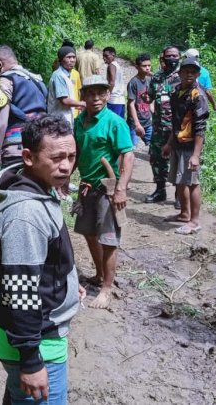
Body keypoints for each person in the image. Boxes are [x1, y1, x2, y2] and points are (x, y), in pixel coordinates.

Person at [0, 115, 85, 405]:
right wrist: (31, 360)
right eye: (56, 158)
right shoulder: (26, 214)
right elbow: (20, 290)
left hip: (32, 327)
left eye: (71, 156)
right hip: (35, 338)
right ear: (28, 157)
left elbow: (42, 262)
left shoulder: (39, 187)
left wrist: (67, 283)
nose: (66, 166)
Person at [73, 75, 134, 309]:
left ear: (108, 95)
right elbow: (77, 152)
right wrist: (65, 176)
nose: (96, 98)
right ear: (83, 96)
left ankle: (107, 288)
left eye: (101, 93)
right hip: (86, 187)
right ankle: (99, 275)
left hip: (108, 188)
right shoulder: (79, 123)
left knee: (108, 239)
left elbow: (127, 155)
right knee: (89, 233)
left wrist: (121, 189)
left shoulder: (114, 122)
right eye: (90, 93)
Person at [0, 46, 48, 180]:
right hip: (42, 146)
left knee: (14, 192)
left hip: (17, 149)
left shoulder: (4, 81)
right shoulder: (37, 80)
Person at [162, 56, 209, 234]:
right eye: (186, 71)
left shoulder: (198, 95)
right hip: (178, 143)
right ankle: (184, 213)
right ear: (179, 73)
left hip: (190, 146)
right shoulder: (176, 93)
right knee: (179, 181)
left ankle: (195, 221)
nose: (189, 74)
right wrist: (169, 143)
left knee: (192, 182)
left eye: (193, 72)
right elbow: (176, 122)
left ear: (197, 74)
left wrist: (196, 155)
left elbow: (200, 127)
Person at [144, 45, 181, 204]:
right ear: (163, 57)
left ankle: (180, 196)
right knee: (156, 158)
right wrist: (147, 99)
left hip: (178, 129)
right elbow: (150, 97)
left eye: (175, 56)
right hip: (159, 127)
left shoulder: (182, 77)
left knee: (179, 161)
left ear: (179, 58)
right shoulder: (157, 77)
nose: (172, 58)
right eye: (169, 56)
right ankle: (160, 191)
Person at [47, 46, 86, 127]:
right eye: (68, 57)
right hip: (58, 119)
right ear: (61, 60)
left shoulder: (67, 75)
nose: (72, 60)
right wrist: (82, 103)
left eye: (73, 57)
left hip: (64, 118)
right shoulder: (59, 76)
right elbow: (64, 100)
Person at [127, 53, 154, 147]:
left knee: (154, 145)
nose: (147, 68)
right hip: (135, 122)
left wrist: (155, 114)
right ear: (137, 67)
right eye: (144, 66)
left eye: (149, 65)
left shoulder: (149, 80)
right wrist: (137, 124)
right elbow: (131, 104)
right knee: (130, 149)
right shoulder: (133, 82)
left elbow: (150, 101)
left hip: (147, 121)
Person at [184, 48, 216, 112]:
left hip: (184, 103)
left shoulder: (182, 71)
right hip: (200, 104)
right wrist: (214, 104)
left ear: (186, 57)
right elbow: (207, 91)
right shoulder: (204, 72)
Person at [103, 47, 125, 117]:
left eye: (106, 56)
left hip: (114, 99)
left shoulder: (111, 65)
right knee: (119, 122)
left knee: (113, 123)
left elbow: (112, 82)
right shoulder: (117, 65)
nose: (104, 58)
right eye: (103, 56)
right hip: (121, 100)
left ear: (113, 55)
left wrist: (107, 95)